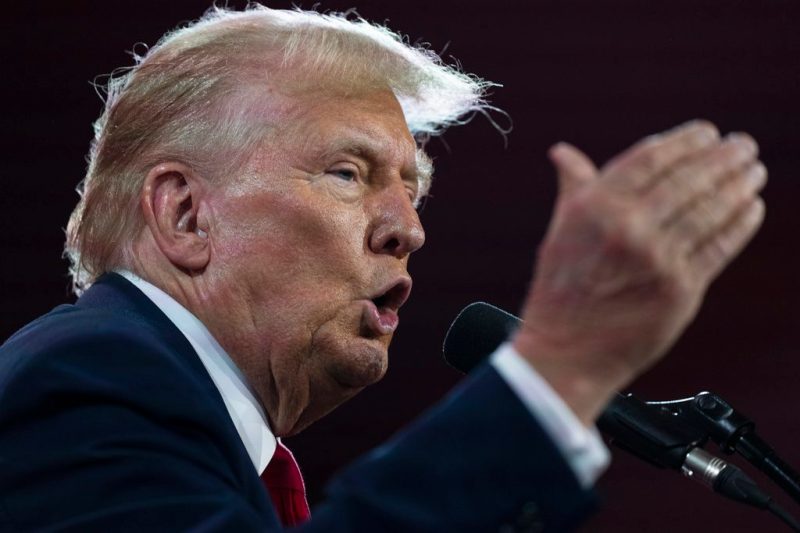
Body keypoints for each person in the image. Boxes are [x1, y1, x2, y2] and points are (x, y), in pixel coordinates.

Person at [0, 5, 766, 532]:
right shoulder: (88, 380)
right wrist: (559, 369)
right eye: (347, 172)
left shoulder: (178, 420)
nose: (409, 228)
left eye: (414, 188)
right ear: (185, 215)